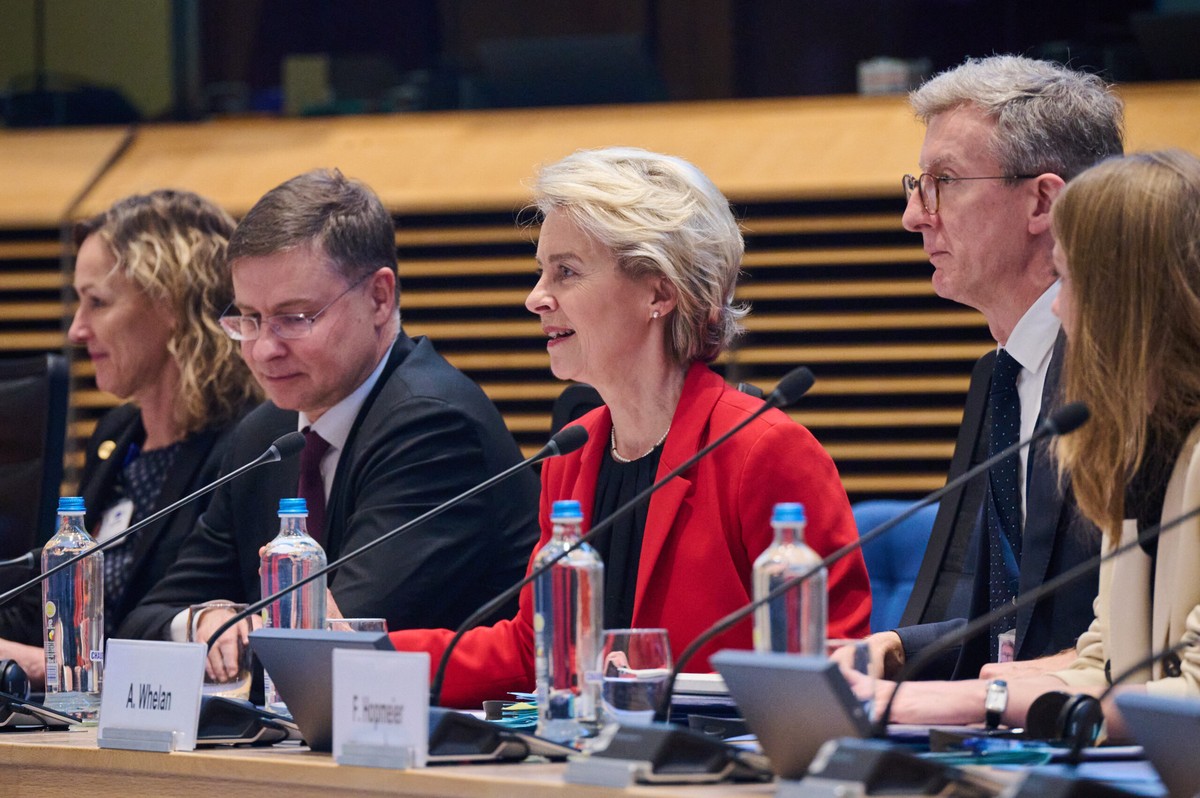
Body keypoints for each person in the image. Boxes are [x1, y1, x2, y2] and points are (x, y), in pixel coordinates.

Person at [389, 146, 871, 708]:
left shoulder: (763, 451)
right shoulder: (572, 454)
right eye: (541, 271)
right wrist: (363, 656)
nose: (535, 298)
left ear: (658, 293)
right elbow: (535, 651)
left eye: (566, 272)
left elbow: (835, 666)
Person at [118, 170, 541, 675]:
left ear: (379, 298)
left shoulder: (434, 428)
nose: (263, 349)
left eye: (294, 318)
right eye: (249, 319)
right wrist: (202, 620)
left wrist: (233, 634)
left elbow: (331, 645)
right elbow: (143, 620)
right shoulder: (265, 436)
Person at [870, 149, 1200, 730]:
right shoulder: (1138, 449)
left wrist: (982, 702)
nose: (1059, 308)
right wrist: (973, 690)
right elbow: (1105, 662)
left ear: (1135, 304)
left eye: (1070, 281)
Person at [836, 55, 1123, 682]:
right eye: (918, 184)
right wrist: (900, 646)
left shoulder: (1126, 379)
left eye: (943, 181)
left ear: (1043, 202)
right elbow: (1015, 626)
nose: (914, 214)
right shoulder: (997, 378)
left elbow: (1127, 637)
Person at [0, 190, 261, 685]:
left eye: (97, 302)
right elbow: (54, 610)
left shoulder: (250, 445)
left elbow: (184, 636)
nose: (77, 330)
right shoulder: (117, 436)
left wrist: (36, 667)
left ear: (172, 303)